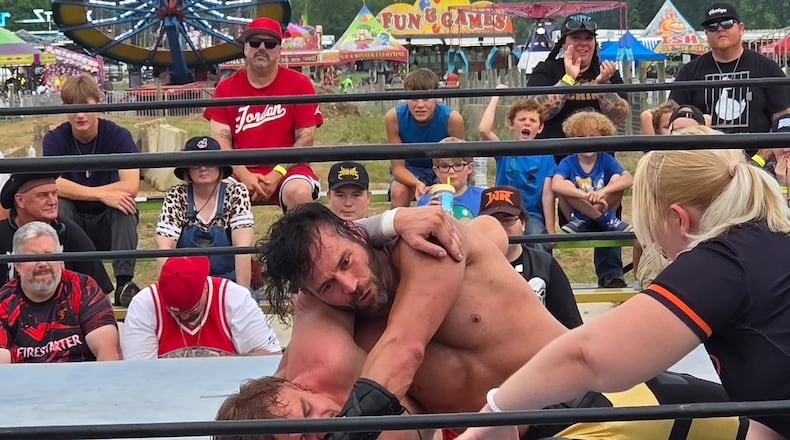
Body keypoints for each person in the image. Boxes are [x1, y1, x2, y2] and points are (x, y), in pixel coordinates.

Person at [255, 203, 747, 440]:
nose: (348, 286)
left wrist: (391, 221)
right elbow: (274, 393)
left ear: (355, 236)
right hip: (524, 434)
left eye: (346, 262)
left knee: (767, 420)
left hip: (602, 393)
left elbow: (405, 348)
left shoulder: (425, 244)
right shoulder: (346, 321)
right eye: (327, 287)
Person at [458, 148, 790, 440]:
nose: (658, 248)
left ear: (679, 219)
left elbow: (588, 357)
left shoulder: (722, 260)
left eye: (654, 235)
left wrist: (493, 413)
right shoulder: (768, 240)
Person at [204, 17, 323, 210]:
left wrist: (276, 173)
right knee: (212, 193)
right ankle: (228, 241)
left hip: (287, 169)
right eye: (254, 42)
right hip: (237, 170)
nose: (261, 48)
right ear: (245, 47)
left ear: (279, 49)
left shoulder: (300, 83)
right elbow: (220, 141)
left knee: (300, 192)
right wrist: (243, 174)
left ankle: (299, 241)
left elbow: (306, 139)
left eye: (269, 44)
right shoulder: (226, 87)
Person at [42, 73, 140, 307]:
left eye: (86, 106)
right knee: (59, 204)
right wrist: (101, 193)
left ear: (98, 102)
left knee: (125, 205)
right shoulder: (54, 139)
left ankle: (124, 283)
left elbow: (131, 185)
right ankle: (71, 281)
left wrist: (105, 196)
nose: (80, 115)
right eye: (73, 108)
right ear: (65, 108)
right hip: (74, 219)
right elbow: (52, 182)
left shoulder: (118, 135)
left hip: (108, 220)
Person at [669, 2, 790, 142]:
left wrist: (760, 158)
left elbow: (782, 120)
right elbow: (674, 120)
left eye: (726, 23)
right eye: (712, 26)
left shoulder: (768, 68)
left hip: (757, 159)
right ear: (706, 33)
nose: (720, 29)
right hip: (706, 157)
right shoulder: (689, 73)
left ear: (740, 28)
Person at [0, 221, 120, 363]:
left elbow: (108, 351)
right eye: (32, 257)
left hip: (84, 382)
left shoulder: (83, 288)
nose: (43, 264)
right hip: (25, 383)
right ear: (17, 264)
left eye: (49, 255)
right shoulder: (5, 302)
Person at [121, 256, 281, 359]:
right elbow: (139, 372)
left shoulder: (234, 298)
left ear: (205, 287)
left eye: (192, 310)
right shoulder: (144, 304)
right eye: (175, 311)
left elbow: (268, 357)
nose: (184, 317)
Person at [155, 136, 254, 287]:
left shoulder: (236, 192)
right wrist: (168, 294)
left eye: (210, 161)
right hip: (187, 285)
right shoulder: (176, 195)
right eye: (195, 162)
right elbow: (164, 251)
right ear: (186, 168)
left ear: (220, 166)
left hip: (228, 286)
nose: (203, 168)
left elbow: (243, 250)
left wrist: (243, 295)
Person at [478, 186, 582, 329]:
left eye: (508, 220)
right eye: (492, 222)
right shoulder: (469, 269)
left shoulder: (544, 265)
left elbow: (571, 326)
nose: (500, 228)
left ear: (524, 223)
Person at [553, 111, 633, 287]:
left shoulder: (606, 159)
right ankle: (599, 219)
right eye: (581, 136)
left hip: (605, 210)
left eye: (593, 136)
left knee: (616, 179)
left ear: (603, 137)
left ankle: (611, 275)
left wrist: (603, 192)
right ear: (573, 138)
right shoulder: (569, 161)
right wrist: (585, 195)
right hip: (575, 216)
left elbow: (628, 178)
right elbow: (556, 185)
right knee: (566, 185)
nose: (588, 141)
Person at [0, 173, 112, 293]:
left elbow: (99, 291)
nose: (53, 201)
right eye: (43, 195)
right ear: (20, 200)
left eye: (55, 194)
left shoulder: (69, 231)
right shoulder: (2, 234)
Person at [526, 14, 630, 143]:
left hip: (598, 154)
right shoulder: (546, 70)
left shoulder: (606, 72)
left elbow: (620, 116)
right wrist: (568, 79)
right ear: (563, 43)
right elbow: (533, 113)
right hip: (554, 154)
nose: (583, 43)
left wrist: (603, 85)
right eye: (576, 38)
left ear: (595, 43)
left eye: (589, 38)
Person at [479, 89, 556, 252]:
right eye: (522, 119)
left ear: (540, 127)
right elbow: (484, 130)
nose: (527, 123)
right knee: (493, 242)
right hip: (502, 212)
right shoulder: (505, 149)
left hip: (532, 215)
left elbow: (547, 195)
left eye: (533, 120)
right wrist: (495, 96)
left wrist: (551, 231)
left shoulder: (546, 155)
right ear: (511, 124)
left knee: (537, 240)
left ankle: (540, 276)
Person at [385, 68, 465, 208]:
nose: (420, 105)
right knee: (399, 192)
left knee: (446, 192)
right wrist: (417, 184)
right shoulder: (394, 118)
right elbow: (397, 167)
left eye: (426, 98)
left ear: (436, 97)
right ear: (406, 98)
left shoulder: (452, 119)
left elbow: (460, 161)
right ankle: (397, 228)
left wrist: (439, 183)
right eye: (414, 98)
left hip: (443, 169)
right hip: (409, 170)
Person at [415, 139, 484, 219]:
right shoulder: (426, 200)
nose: (451, 171)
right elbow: (417, 229)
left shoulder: (482, 197)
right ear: (436, 171)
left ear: (470, 168)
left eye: (458, 165)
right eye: (444, 166)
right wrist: (426, 215)